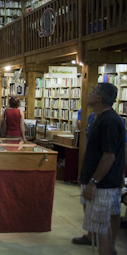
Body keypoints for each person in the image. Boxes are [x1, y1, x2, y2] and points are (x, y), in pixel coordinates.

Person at [77, 83, 125, 255]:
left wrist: (93, 182)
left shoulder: (109, 121)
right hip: (101, 183)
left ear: (99, 98)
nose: (89, 94)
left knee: (100, 229)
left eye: (93, 92)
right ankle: (109, 250)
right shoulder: (100, 118)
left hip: (102, 185)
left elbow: (109, 156)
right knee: (101, 225)